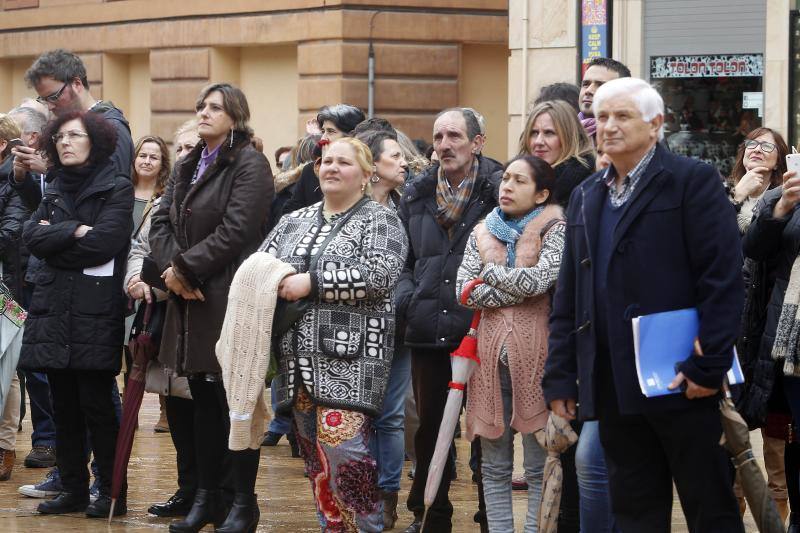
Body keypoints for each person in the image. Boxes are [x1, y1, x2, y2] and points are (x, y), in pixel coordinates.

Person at [542, 77, 745, 532]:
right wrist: (561, 375)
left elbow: (722, 278)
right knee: (633, 511)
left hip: (682, 378)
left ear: (655, 124)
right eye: (602, 117)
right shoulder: (586, 195)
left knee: (709, 506)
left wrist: (709, 363)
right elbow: (570, 294)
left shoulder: (692, 181)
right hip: (614, 381)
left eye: (622, 116)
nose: (608, 126)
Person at [261, 136, 408, 532]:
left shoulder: (380, 219)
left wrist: (313, 282)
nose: (331, 168)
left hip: (353, 362)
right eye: (326, 161)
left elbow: (381, 275)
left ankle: (367, 528)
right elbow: (261, 264)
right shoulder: (294, 220)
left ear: (365, 175)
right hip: (298, 364)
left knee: (346, 454)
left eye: (343, 162)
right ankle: (333, 528)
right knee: (315, 462)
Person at [149, 83, 272, 533]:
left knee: (231, 402)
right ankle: (206, 498)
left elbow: (237, 229)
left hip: (227, 294)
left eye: (215, 107)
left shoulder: (249, 164)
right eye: (201, 106)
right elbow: (161, 221)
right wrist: (173, 271)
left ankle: (241, 501)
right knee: (201, 401)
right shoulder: (186, 164)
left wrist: (186, 269)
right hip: (189, 299)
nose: (204, 113)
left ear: (235, 116)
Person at [17, 110, 134, 518]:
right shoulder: (53, 188)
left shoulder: (116, 186)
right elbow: (32, 236)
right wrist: (72, 231)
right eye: (60, 136)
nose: (65, 142)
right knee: (63, 405)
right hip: (52, 307)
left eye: (75, 136)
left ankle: (110, 489)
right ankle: (72, 488)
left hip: (94, 308)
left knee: (98, 406)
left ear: (95, 142)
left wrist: (58, 239)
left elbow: (106, 242)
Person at [395, 107, 501, 533]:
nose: (444, 145)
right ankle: (431, 513)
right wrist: (408, 298)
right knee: (429, 428)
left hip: (479, 327)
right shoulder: (416, 193)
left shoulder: (497, 191)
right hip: (426, 325)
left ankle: (490, 513)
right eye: (438, 137)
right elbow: (403, 260)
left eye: (454, 136)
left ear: (477, 143)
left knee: (485, 430)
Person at [457, 154, 565, 533]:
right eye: (505, 178)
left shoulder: (555, 227)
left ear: (541, 194)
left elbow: (542, 280)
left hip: (538, 353)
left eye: (519, 181)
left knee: (537, 462)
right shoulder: (482, 229)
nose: (507, 186)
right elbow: (464, 292)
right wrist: (513, 284)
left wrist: (489, 274)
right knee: (494, 462)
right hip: (486, 358)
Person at [125, 122, 199, 519]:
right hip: (164, 320)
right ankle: (187, 490)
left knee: (204, 412)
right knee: (178, 413)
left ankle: (209, 492)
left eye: (194, 147)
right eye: (182, 146)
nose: (187, 153)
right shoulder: (162, 202)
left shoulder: (215, 200)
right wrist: (136, 278)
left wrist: (164, 284)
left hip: (201, 319)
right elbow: (141, 246)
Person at [741, 134, 800, 532]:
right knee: (793, 438)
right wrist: (781, 204)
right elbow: (754, 249)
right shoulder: (784, 195)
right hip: (790, 336)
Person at [357, 128, 410, 528]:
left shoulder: (407, 206)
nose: (404, 161)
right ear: (373, 166)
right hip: (353, 326)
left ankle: (387, 496)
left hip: (399, 324)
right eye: (395, 155)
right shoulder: (349, 208)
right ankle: (358, 490)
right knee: (357, 413)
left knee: (390, 415)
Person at [11, 49, 134, 211]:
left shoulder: (112, 127)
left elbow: (107, 197)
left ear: (76, 84)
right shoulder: (62, 129)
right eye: (43, 99)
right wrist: (21, 178)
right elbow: (49, 207)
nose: (49, 106)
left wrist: (50, 170)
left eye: (54, 96)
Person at [127, 135, 172, 432]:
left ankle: (166, 410)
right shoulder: (121, 193)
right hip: (124, 274)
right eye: (142, 155)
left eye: (153, 157)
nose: (146, 161)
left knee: (152, 341)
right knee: (127, 345)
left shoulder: (165, 197)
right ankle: (127, 400)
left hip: (152, 283)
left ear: (162, 164)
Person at [0, 114, 32, 482]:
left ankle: (5, 445)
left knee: (6, 368)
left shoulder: (15, 181)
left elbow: (10, 233)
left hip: (7, 285)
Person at [281, 104, 365, 214]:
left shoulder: (365, 170)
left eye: (330, 131)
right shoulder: (309, 171)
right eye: (323, 131)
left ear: (351, 136)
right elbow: (289, 213)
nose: (323, 138)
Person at [518, 99, 595, 207]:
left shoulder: (589, 188)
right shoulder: (514, 180)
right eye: (534, 133)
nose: (538, 142)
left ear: (569, 137)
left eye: (549, 133)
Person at [729, 128, 788, 234]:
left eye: (766, 146)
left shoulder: (783, 198)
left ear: (777, 163)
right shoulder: (723, 189)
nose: (756, 149)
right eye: (751, 143)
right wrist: (737, 194)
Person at [578, 57, 631, 141]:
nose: (588, 90)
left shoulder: (628, 140)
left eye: (600, 85)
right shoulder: (563, 133)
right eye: (586, 84)